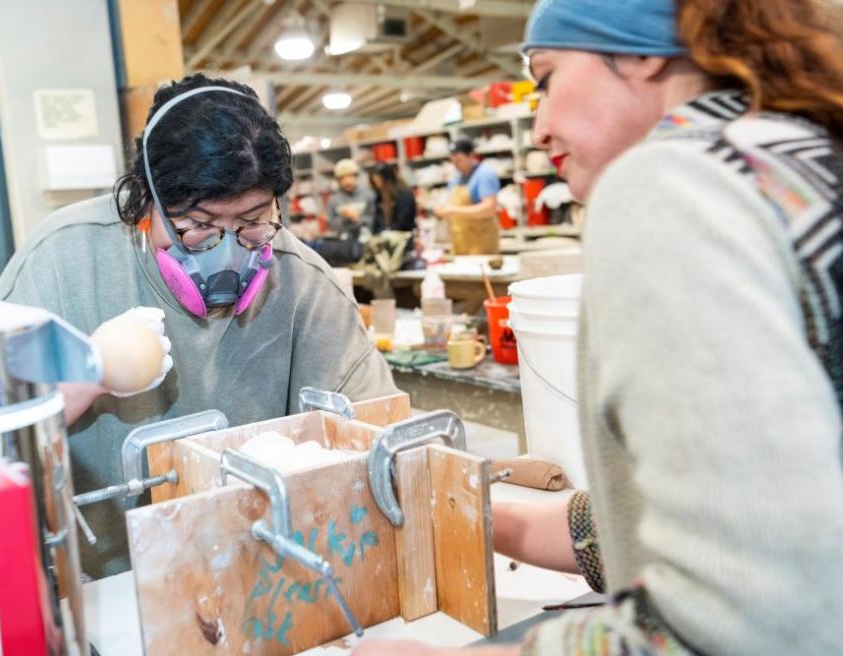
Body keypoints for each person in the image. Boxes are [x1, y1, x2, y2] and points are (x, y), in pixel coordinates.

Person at [354, 0, 843, 654]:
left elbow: (752, 614)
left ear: (640, 56)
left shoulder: (670, 186)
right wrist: (480, 515)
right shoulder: (797, 157)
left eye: (547, 78)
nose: (542, 123)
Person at [0, 74, 397, 579]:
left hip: (258, 573)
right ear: (143, 201)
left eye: (252, 222)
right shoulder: (61, 262)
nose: (227, 253)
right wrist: (82, 376)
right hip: (102, 586)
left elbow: (379, 447)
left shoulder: (306, 286)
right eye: (197, 226)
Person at [433, 138, 501, 221]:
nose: (455, 164)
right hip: (460, 231)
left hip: (481, 230)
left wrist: (454, 210)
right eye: (452, 161)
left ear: (471, 155)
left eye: (459, 160)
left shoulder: (484, 174)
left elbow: (490, 208)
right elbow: (450, 201)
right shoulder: (455, 178)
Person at [326, 158, 373, 240]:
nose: (347, 181)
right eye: (343, 178)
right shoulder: (333, 200)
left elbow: (374, 220)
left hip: (366, 240)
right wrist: (345, 218)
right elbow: (331, 226)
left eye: (350, 176)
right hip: (343, 243)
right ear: (338, 180)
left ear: (356, 176)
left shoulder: (368, 195)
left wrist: (358, 218)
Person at [370, 163, 417, 233]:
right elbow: (377, 220)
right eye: (374, 182)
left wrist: (389, 231)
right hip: (386, 235)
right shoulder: (379, 196)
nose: (376, 185)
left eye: (378, 181)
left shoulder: (404, 194)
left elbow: (403, 220)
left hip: (403, 235)